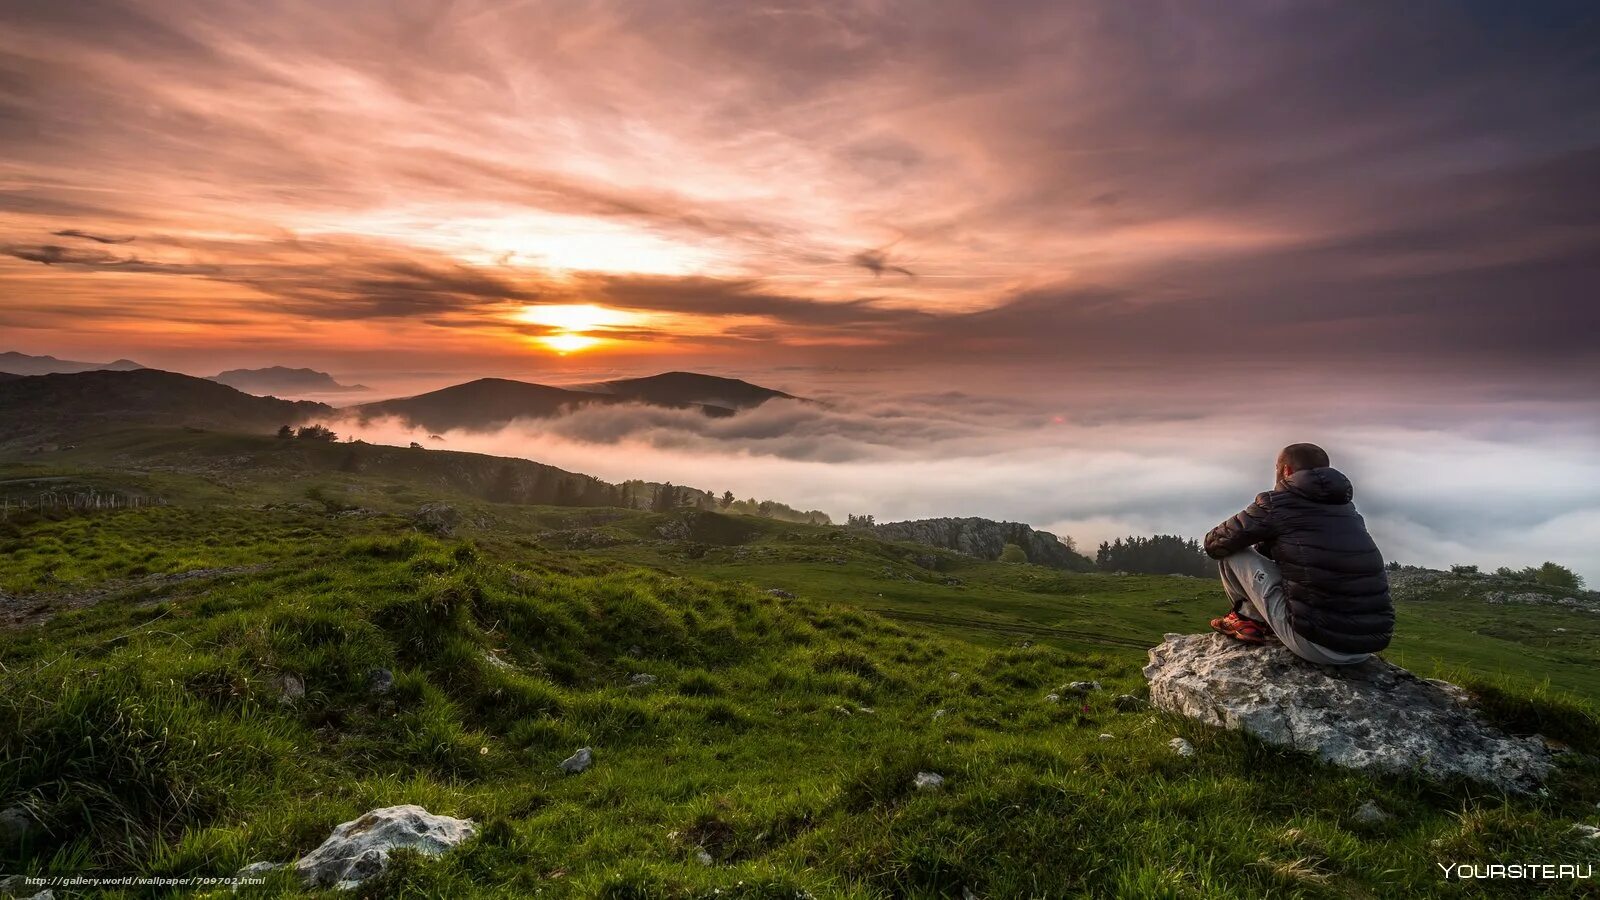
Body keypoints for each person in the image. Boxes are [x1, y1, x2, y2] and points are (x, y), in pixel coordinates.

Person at [1202, 442, 1393, 664]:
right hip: (1365, 647)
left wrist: (1264, 527)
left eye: (1277, 468)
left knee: (1231, 550)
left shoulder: (1277, 504)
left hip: (1317, 644)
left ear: (1286, 471)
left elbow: (1214, 542)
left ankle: (1247, 619)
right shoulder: (1346, 508)